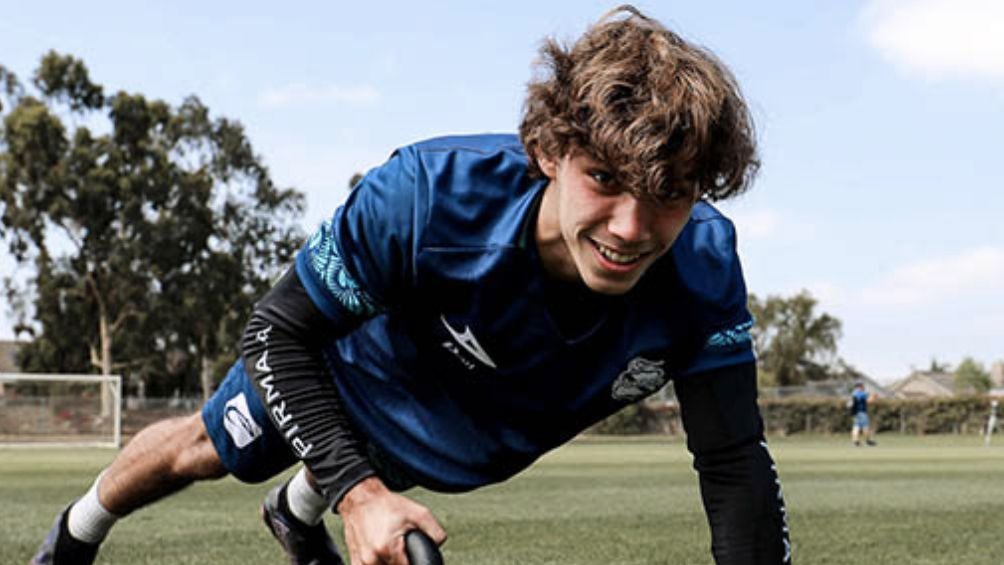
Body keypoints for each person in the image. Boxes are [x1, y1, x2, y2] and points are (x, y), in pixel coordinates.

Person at [31, 6, 791, 565]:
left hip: (469, 428)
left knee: (390, 456)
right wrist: (358, 496)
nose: (630, 226)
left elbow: (733, 462)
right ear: (550, 149)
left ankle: (296, 513)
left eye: (668, 194)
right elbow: (277, 331)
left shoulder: (704, 269)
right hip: (356, 370)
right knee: (207, 445)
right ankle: (76, 530)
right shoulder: (428, 195)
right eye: (604, 179)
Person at [849, 381, 876, 446]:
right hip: (862, 412)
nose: (863, 387)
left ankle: (855, 441)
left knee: (856, 427)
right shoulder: (861, 393)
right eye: (862, 386)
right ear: (859, 387)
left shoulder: (853, 393)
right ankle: (868, 441)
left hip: (855, 413)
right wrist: (873, 396)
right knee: (865, 427)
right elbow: (869, 401)